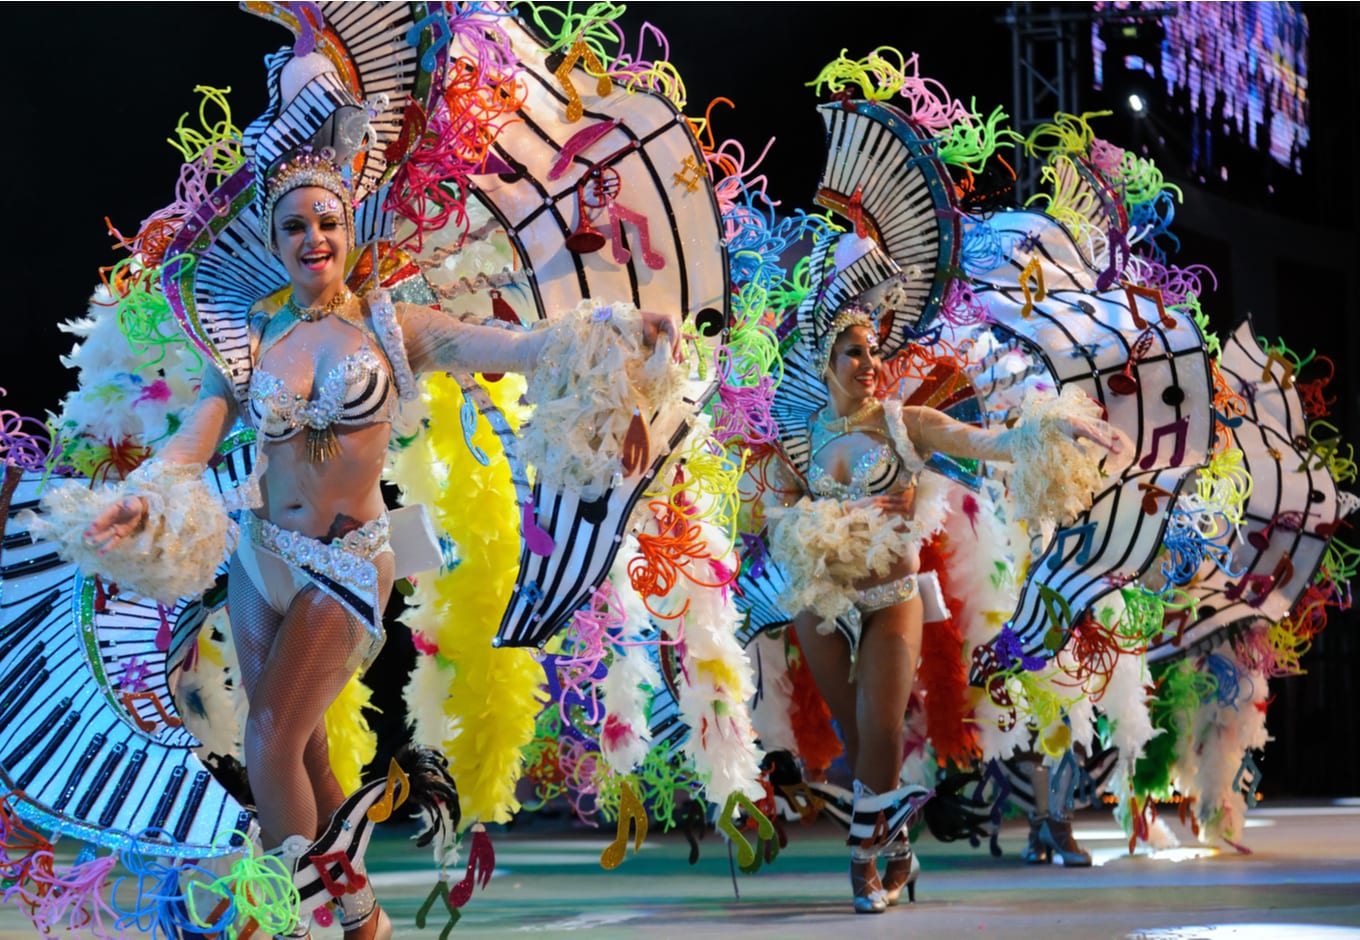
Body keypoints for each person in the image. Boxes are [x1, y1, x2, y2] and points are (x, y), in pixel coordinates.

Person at [58, 148, 681, 940]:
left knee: (267, 738)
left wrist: (621, 330)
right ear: (275, 239)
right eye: (295, 226)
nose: (313, 237)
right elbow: (199, 433)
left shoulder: (394, 324)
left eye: (327, 221)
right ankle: (360, 918)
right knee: (307, 751)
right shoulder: (250, 333)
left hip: (348, 564)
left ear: (350, 230)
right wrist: (141, 494)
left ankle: (288, 914)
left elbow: (514, 349)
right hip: (262, 558)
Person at [766, 305, 1122, 914]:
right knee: (855, 739)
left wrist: (1051, 429)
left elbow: (992, 444)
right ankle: (898, 843)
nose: (870, 364)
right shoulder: (800, 437)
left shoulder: (907, 425)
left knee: (880, 730)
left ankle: (862, 866)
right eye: (854, 352)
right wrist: (811, 516)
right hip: (822, 605)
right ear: (826, 362)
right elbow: (775, 516)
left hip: (892, 601)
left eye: (874, 351)